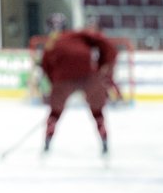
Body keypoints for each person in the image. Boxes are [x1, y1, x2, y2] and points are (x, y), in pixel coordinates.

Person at [41, 12, 118, 154]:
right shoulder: (78, 35)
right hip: (88, 76)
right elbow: (106, 45)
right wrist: (103, 65)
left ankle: (48, 138)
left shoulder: (51, 45)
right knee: (97, 112)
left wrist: (55, 88)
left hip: (64, 79)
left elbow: (46, 68)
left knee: (55, 113)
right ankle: (104, 137)